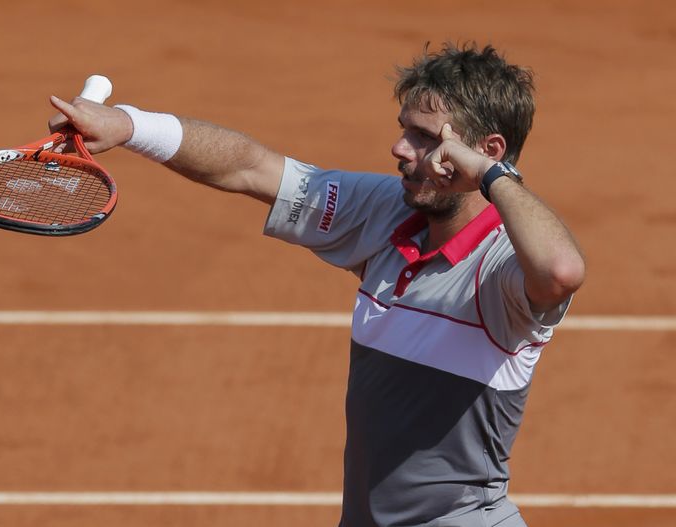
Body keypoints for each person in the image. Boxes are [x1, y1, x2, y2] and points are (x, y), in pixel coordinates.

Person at [49, 42, 586, 527]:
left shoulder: (504, 265)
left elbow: (561, 271)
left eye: (423, 139)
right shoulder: (386, 210)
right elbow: (251, 169)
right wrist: (129, 125)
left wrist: (491, 176)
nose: (400, 149)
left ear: (487, 151)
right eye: (405, 129)